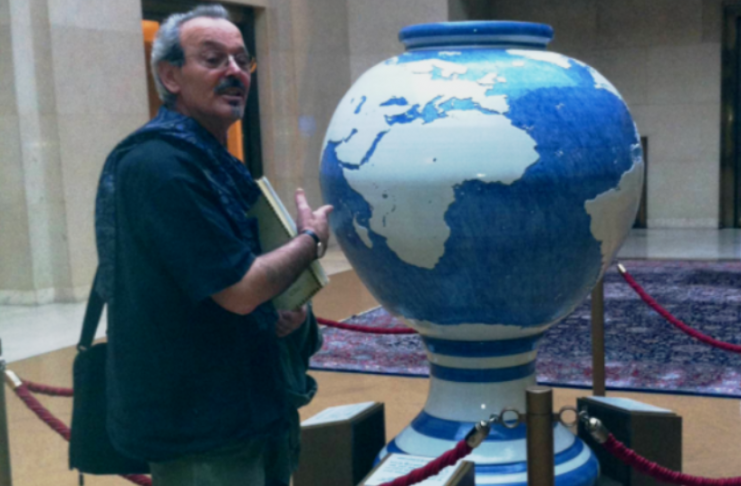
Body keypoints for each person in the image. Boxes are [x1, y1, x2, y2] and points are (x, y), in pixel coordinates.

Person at [94, 4, 333, 485]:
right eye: (212, 59)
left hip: (247, 407)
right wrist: (310, 241)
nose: (234, 72)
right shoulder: (161, 167)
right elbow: (240, 290)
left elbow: (232, 276)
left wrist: (286, 311)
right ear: (171, 76)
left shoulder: (213, 161)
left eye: (242, 60)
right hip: (201, 428)